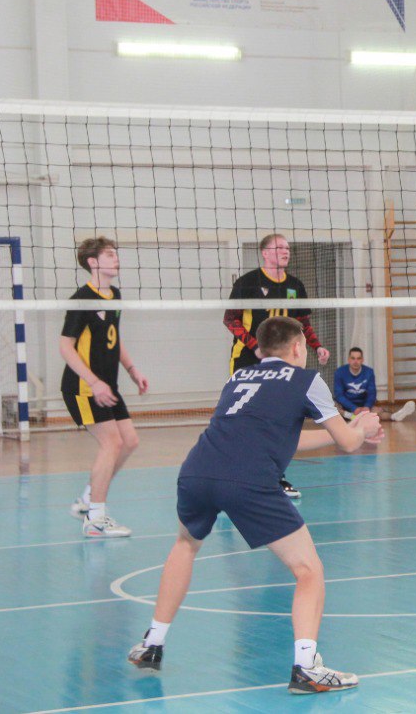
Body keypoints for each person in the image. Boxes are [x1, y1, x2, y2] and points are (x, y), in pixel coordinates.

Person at [126, 316, 384, 690]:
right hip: (247, 480)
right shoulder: (307, 380)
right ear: (298, 347)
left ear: (260, 350)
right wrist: (363, 428)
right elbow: (348, 443)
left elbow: (277, 439)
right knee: (308, 570)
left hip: (197, 471)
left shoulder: (238, 377)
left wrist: (349, 432)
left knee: (185, 545)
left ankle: (152, 643)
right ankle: (307, 667)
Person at [225, 233, 329, 500]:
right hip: (247, 360)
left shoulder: (295, 286)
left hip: (283, 363)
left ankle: (275, 476)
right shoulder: (248, 283)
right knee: (244, 418)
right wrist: (254, 346)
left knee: (280, 419)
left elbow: (303, 324)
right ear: (265, 253)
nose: (285, 251)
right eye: (279, 247)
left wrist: (316, 346)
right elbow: (230, 319)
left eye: (287, 247)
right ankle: (234, 474)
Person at [62, 237, 149, 538]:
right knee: (111, 443)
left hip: (108, 385)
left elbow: (114, 336)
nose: (116, 258)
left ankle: (88, 499)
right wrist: (93, 381)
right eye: (109, 254)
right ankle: (96, 519)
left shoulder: (114, 294)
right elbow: (65, 347)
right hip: (84, 387)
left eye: (115, 254)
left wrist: (133, 369)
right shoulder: (82, 299)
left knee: (130, 441)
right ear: (93, 262)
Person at [332, 347, 416, 422]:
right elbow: (339, 395)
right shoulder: (339, 372)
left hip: (363, 405)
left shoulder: (369, 372)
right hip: (345, 406)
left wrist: (367, 406)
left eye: (358, 358)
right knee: (333, 407)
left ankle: (394, 416)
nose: (355, 361)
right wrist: (353, 408)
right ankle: (352, 416)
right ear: (348, 360)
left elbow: (372, 393)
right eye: (353, 358)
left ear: (362, 360)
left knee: (378, 411)